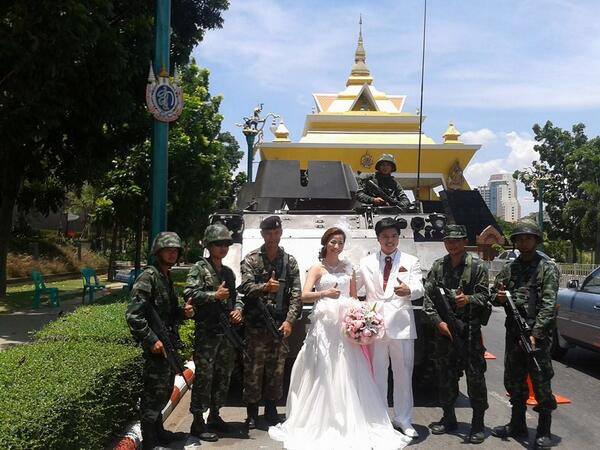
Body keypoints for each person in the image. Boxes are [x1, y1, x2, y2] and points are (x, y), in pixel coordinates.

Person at [269, 227, 410, 449]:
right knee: (323, 369)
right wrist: (324, 293)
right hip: (324, 325)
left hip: (344, 324)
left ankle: (354, 416)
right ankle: (321, 417)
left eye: (340, 242)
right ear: (326, 243)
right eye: (333, 242)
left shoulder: (348, 267)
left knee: (350, 370)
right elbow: (303, 295)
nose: (337, 246)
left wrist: (361, 319)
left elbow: (354, 297)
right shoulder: (317, 268)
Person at [491, 220, 559, 450]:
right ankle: (517, 424)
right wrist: (498, 297)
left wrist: (536, 332)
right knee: (514, 380)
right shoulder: (510, 268)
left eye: (528, 238)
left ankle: (543, 430)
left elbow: (549, 305)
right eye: (519, 238)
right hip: (514, 333)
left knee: (541, 381)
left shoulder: (546, 267)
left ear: (536, 240)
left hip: (536, 335)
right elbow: (494, 294)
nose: (523, 241)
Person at [422, 224, 491, 444]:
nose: (452, 244)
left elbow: (485, 297)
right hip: (445, 333)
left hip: (468, 331)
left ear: (464, 241)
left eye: (457, 240)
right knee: (446, 377)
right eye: (448, 241)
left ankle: (478, 423)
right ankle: (448, 418)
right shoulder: (438, 266)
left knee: (475, 378)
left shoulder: (477, 266)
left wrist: (468, 299)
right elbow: (428, 300)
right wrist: (439, 323)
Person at [125, 232, 194, 450]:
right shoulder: (148, 277)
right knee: (152, 397)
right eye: (168, 250)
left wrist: (184, 312)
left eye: (175, 250)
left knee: (164, 391)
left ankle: (160, 433)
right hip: (155, 349)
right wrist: (151, 340)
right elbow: (134, 315)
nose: (172, 253)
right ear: (158, 252)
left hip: (167, 345)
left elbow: (170, 312)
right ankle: (150, 441)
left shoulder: (166, 277)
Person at [357, 217, 423, 439]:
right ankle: (379, 418)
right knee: (378, 373)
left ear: (398, 237)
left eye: (394, 236)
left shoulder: (411, 261)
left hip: (401, 326)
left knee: (404, 373)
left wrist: (410, 291)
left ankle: (404, 419)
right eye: (385, 236)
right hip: (374, 326)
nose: (390, 240)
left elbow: (419, 288)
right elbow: (353, 287)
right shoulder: (365, 263)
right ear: (378, 239)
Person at [237, 215, 302, 429]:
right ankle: (252, 413)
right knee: (253, 370)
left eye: (276, 233)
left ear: (281, 233)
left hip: (278, 325)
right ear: (263, 234)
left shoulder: (289, 261)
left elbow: (296, 295)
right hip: (256, 325)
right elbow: (245, 287)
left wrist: (290, 321)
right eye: (268, 233)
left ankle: (272, 410)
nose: (272, 237)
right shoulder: (251, 259)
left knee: (276, 370)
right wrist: (265, 288)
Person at [184, 223, 243, 442]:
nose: (223, 248)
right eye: (218, 244)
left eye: (226, 244)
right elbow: (189, 293)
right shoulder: (199, 268)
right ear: (209, 245)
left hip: (225, 334)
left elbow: (236, 297)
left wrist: (238, 310)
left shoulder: (228, 272)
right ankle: (198, 422)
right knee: (204, 378)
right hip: (207, 333)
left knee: (223, 376)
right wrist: (213, 296)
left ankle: (215, 416)